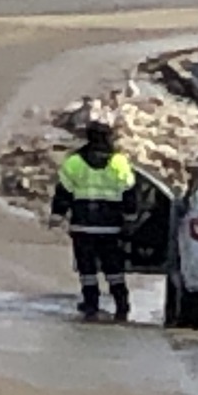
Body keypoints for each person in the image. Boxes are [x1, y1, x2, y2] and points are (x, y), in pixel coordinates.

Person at [48, 116, 139, 321]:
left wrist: (57, 216)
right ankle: (122, 305)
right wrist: (130, 219)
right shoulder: (119, 162)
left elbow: (63, 193)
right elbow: (130, 193)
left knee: (87, 269)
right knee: (114, 269)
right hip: (110, 227)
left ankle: (91, 305)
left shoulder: (74, 162)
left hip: (82, 226)